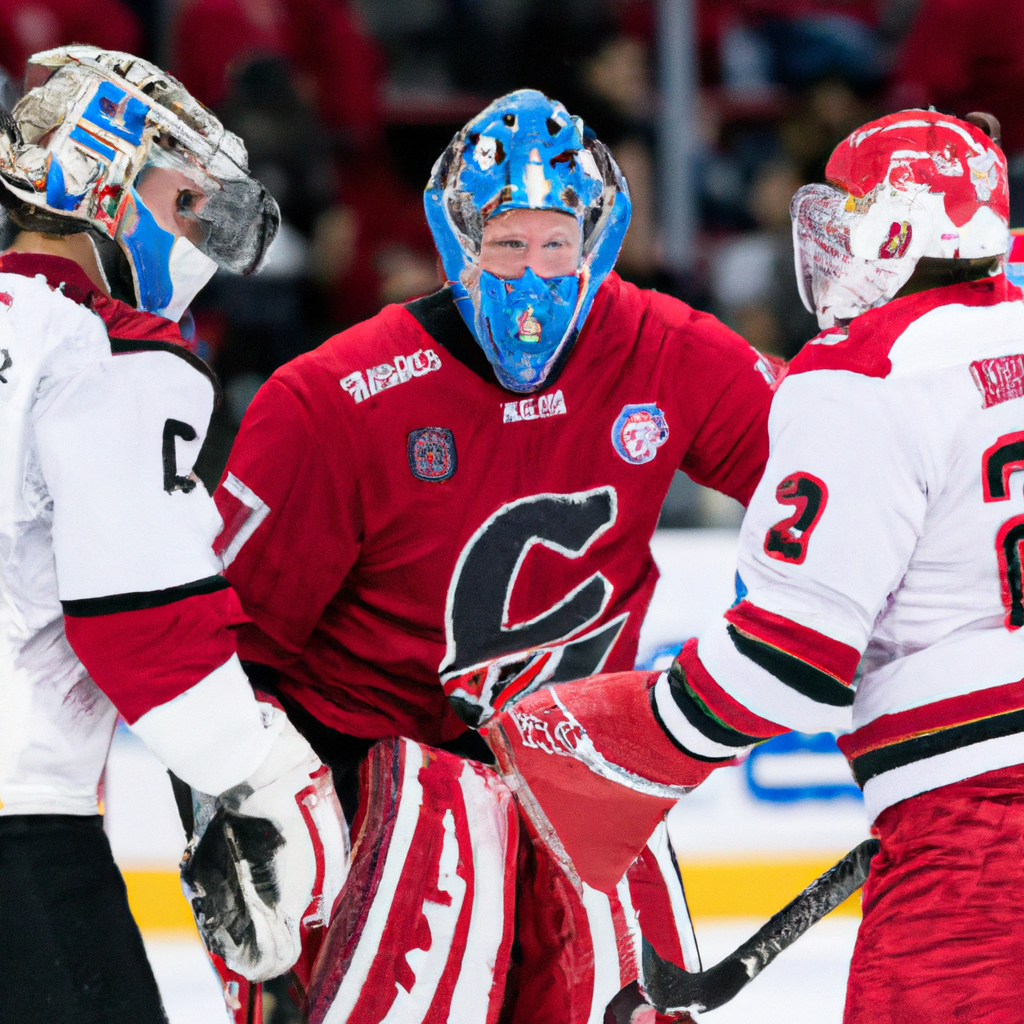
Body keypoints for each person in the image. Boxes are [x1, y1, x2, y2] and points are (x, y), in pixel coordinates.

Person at [215, 88, 779, 1024]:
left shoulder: (665, 348)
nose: (533, 275)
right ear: (456, 240)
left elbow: (831, 478)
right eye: (507, 244)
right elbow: (233, 649)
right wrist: (237, 813)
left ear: (598, 240)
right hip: (379, 783)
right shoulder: (332, 401)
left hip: (573, 769)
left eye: (556, 244)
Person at [487, 109, 1024, 1022]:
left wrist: (604, 735)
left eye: (851, 214)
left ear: (896, 229)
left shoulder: (861, 372)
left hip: (976, 835)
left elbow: (787, 664)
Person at [0, 46, 347, 1024]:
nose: (197, 241)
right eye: (184, 203)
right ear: (104, 184)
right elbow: (134, 619)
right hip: (19, 826)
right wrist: (259, 770)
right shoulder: (108, 350)